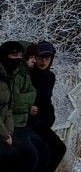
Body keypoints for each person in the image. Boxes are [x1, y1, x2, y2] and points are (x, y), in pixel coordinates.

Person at [1, 41, 45, 171]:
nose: (34, 61)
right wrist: (6, 135)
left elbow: (10, 106)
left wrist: (9, 133)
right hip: (12, 126)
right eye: (15, 55)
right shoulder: (10, 76)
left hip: (13, 126)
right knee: (28, 155)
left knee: (41, 150)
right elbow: (15, 102)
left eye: (20, 56)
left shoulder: (14, 75)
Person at [26, 42, 66, 172]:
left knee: (58, 149)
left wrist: (48, 118)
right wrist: (28, 107)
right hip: (26, 122)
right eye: (40, 57)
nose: (43, 61)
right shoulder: (27, 75)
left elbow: (46, 101)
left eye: (47, 58)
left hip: (42, 122)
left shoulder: (50, 77)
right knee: (40, 153)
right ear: (35, 57)